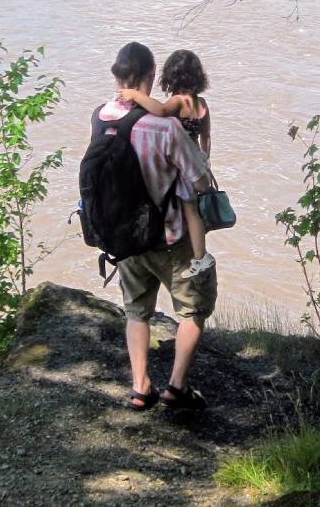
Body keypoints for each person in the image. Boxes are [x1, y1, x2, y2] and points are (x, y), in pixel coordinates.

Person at [98, 41, 217, 411]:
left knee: (136, 311)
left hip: (126, 238)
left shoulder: (100, 117)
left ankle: (139, 387)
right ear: (151, 75)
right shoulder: (165, 128)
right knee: (192, 310)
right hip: (171, 238)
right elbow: (200, 182)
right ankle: (176, 387)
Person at [119, 50, 215, 279]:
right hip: (196, 160)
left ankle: (201, 257)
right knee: (193, 208)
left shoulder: (177, 100)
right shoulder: (201, 104)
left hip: (183, 164)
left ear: (171, 76)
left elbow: (160, 111)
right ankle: (201, 255)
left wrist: (135, 95)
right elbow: (207, 135)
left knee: (189, 209)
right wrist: (205, 158)